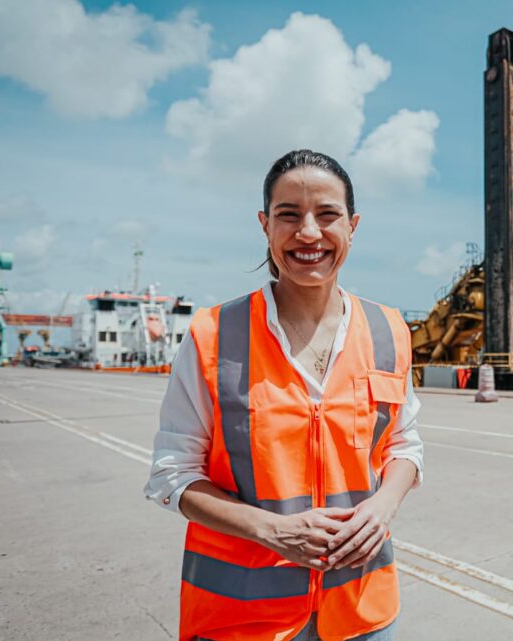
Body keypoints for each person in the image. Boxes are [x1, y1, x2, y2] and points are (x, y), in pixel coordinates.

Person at [145, 149, 423, 641]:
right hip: (243, 618)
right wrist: (273, 532)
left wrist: (385, 506)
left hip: (363, 612)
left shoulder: (389, 330)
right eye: (288, 215)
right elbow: (173, 476)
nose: (309, 233)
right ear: (265, 225)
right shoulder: (213, 334)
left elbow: (404, 446)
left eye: (328, 215)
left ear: (353, 226)